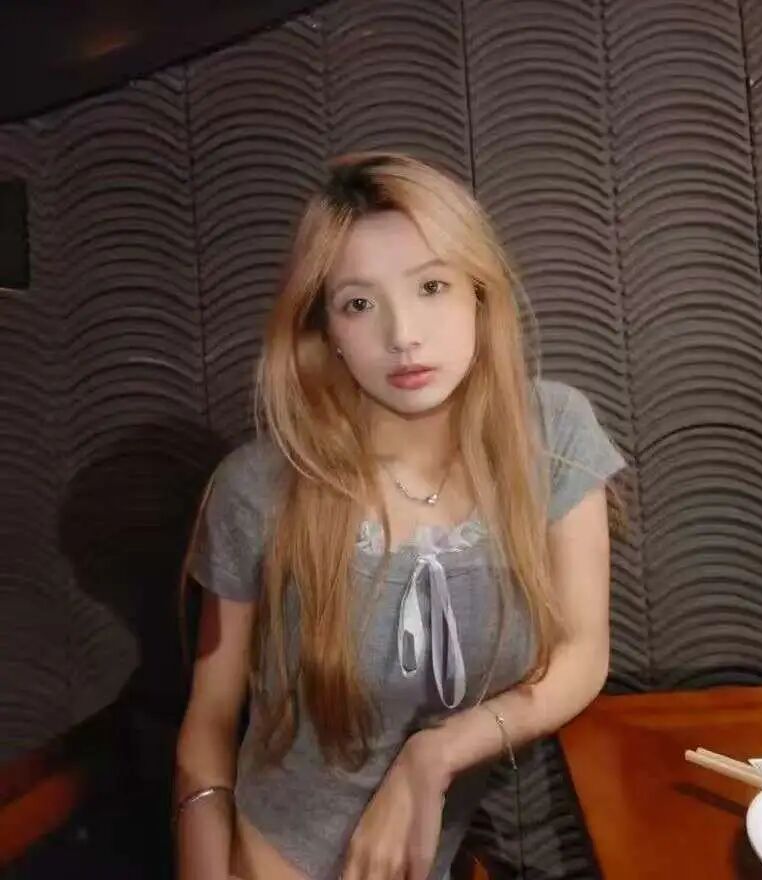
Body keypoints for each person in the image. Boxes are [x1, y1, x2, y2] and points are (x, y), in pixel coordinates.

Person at [173, 152, 626, 880]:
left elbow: (582, 653)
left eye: (432, 287)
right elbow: (209, 720)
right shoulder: (258, 488)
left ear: (479, 293)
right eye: (359, 303)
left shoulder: (553, 436)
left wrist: (437, 754)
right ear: (327, 328)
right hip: (272, 858)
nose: (403, 334)